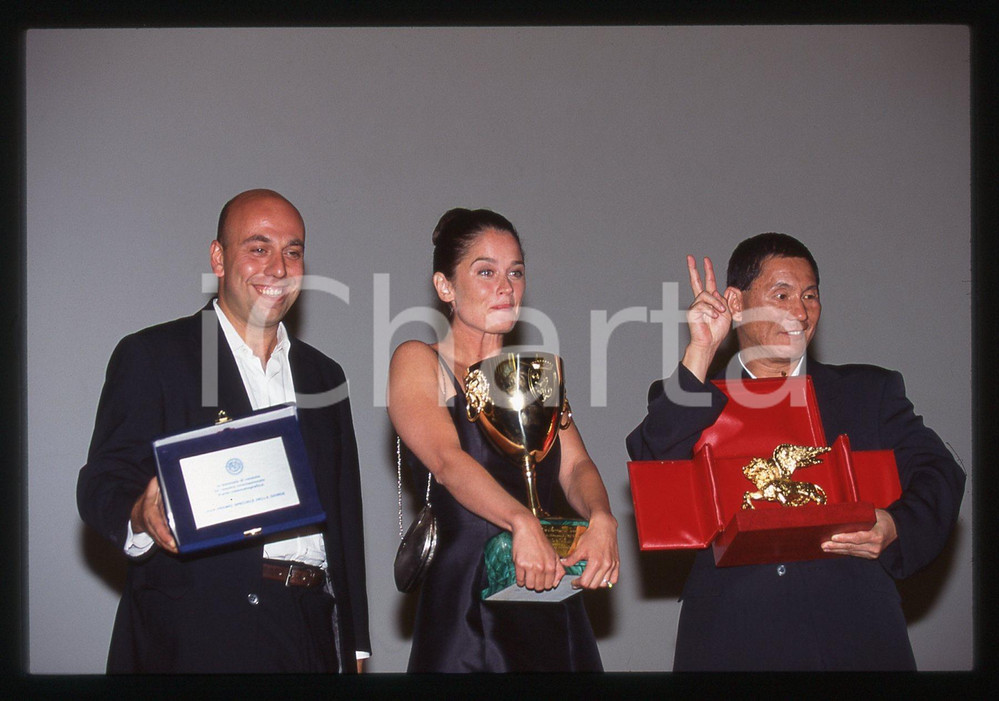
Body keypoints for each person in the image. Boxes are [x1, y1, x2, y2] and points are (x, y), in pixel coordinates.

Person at [626, 233, 965, 671]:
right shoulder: (691, 397)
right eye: (781, 295)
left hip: (856, 635)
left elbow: (939, 471)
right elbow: (654, 463)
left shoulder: (866, 392)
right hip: (730, 637)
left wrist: (896, 524)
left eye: (810, 296)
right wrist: (702, 349)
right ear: (736, 302)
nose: (801, 312)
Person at [77, 189, 370, 673]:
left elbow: (344, 512)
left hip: (312, 632)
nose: (278, 267)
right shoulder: (154, 356)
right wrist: (140, 510)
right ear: (218, 257)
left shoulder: (325, 376)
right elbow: (102, 480)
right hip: (200, 636)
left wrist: (355, 644)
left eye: (293, 251)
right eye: (258, 248)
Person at [387, 208, 619, 672]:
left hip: (548, 585)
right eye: (486, 272)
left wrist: (602, 519)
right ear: (445, 287)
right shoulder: (418, 359)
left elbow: (575, 467)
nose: (506, 286)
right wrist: (521, 522)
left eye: (515, 272)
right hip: (467, 596)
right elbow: (448, 462)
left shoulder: (532, 376)